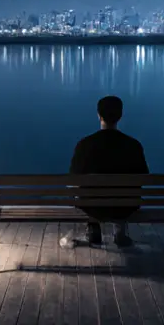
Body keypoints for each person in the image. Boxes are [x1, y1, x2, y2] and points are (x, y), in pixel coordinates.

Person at [62, 95, 149, 248]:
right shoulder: (133, 145)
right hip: (125, 207)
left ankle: (93, 229)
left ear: (99, 115)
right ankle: (120, 231)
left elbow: (72, 180)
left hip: (92, 207)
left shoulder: (85, 145)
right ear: (120, 116)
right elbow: (143, 178)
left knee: (81, 191)